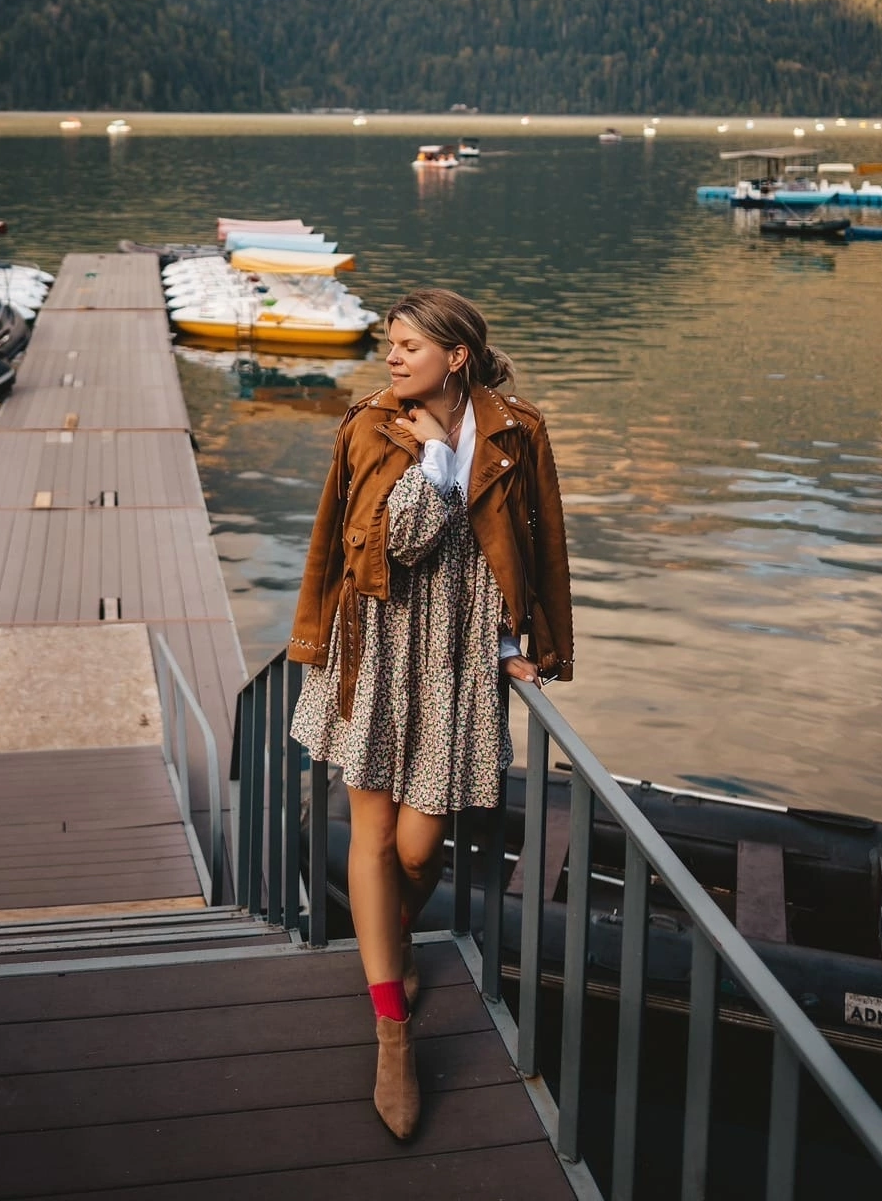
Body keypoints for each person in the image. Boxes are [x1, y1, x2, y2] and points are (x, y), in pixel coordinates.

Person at [288, 288, 573, 1141]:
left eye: (408, 345)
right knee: (375, 839)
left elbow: (539, 542)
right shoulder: (373, 426)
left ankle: (393, 940)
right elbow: (392, 547)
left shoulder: (518, 429)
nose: (391, 357)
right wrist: (438, 460)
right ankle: (393, 1033)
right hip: (378, 650)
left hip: (459, 660)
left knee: (420, 848)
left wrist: (525, 640)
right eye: (390, 344)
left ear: (456, 356)